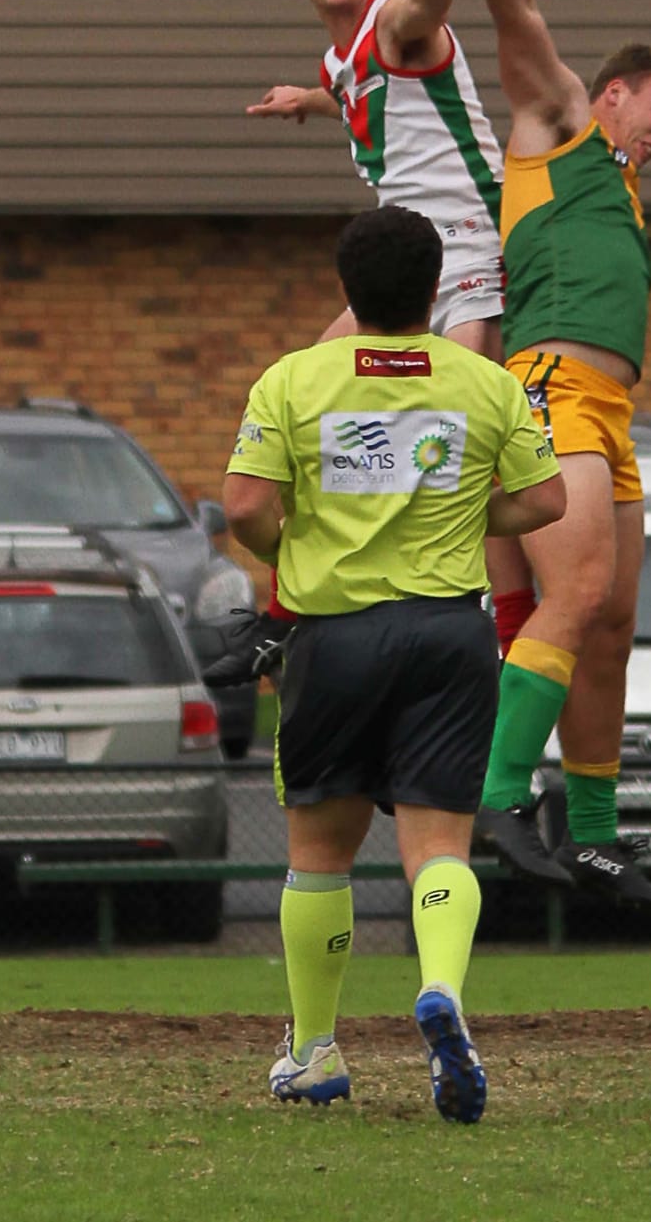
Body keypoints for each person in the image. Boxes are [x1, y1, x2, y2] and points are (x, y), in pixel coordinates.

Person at [222, 205, 568, 1120]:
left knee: (319, 853)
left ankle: (314, 1051)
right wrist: (464, 518)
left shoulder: (293, 379)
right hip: (451, 635)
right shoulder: (485, 381)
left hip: (333, 636)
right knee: (440, 844)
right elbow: (546, 499)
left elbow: (245, 504)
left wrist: (288, 542)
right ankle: (443, 993)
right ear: (434, 289)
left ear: (346, 288)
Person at [412, 0, 651, 911]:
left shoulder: (616, 191)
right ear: (613, 93)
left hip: (608, 413)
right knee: (572, 596)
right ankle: (492, 792)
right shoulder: (562, 126)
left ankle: (591, 834)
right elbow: (517, 16)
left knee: (610, 624)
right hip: (547, 392)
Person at [217, 0, 539, 690]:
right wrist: (312, 100)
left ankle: (505, 627)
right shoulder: (342, 55)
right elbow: (363, 93)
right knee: (308, 391)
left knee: (461, 435)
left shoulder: (396, 14)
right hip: (401, 265)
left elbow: (421, 13)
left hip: (467, 250)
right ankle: (286, 613)